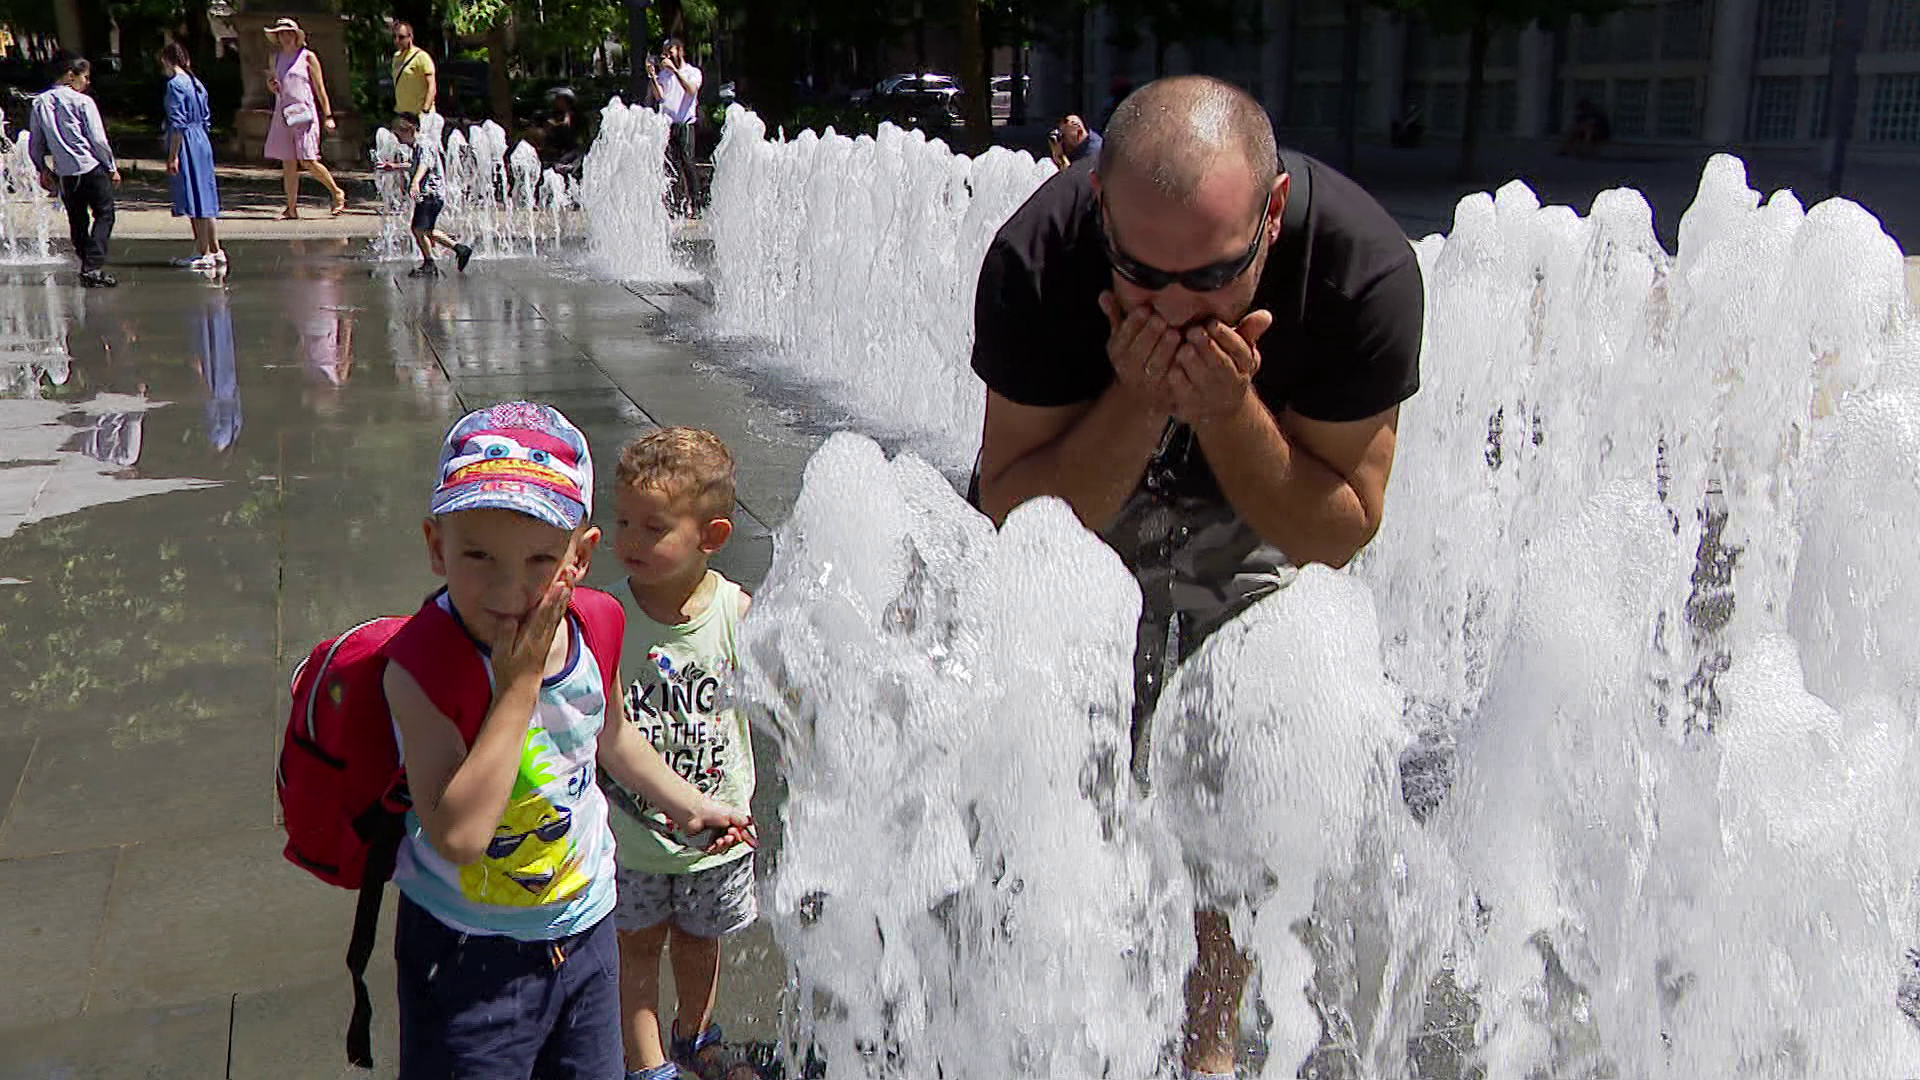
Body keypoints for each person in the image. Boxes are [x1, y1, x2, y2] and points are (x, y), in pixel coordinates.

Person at [968, 74, 1423, 1080]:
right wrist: (1140, 400)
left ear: (1271, 217)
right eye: (1140, 274)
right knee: (1054, 756)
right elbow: (1021, 508)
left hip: (1263, 487)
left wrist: (1222, 411)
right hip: (1079, 479)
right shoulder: (1038, 257)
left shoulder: (1360, 270)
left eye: (1213, 278)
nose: (1173, 306)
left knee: (1245, 766)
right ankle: (1047, 1019)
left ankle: (1207, 1046)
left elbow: (1336, 529)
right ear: (1098, 206)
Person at [384, 400, 756, 1080]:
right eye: (478, 556)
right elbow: (459, 835)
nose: (510, 587)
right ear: (437, 545)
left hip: (585, 931)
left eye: (539, 559)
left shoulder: (597, 625)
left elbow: (611, 735)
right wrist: (517, 688)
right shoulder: (422, 664)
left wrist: (686, 803)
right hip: (470, 955)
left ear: (579, 556)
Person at [604, 429, 761, 1080]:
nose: (630, 541)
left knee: (700, 944)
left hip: (717, 835)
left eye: (653, 527)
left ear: (712, 537)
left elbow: (789, 687)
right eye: (621, 523)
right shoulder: (609, 616)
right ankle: (649, 1066)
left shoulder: (736, 613)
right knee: (637, 952)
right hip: (632, 836)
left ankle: (697, 1038)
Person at [26, 54, 119, 287]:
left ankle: (87, 263)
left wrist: (41, 168)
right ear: (71, 75)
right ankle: (92, 266)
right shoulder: (83, 102)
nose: (87, 83)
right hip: (90, 166)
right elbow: (98, 139)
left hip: (66, 172)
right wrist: (111, 166)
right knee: (104, 214)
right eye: (85, 77)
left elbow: (36, 141)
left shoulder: (40, 102)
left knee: (77, 220)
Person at [263, 17, 347, 219]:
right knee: (288, 162)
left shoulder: (308, 57)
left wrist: (328, 115)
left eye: (288, 32)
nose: (284, 36)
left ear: (296, 35)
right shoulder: (275, 58)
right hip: (284, 113)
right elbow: (273, 83)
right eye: (281, 33)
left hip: (304, 114)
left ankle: (337, 192)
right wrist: (271, 85)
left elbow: (320, 88)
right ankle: (290, 207)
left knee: (308, 159)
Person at [380, 113, 472, 277]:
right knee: (426, 230)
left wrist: (415, 182)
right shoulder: (419, 146)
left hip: (430, 193)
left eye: (398, 133)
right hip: (431, 194)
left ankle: (430, 263)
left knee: (418, 229)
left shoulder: (424, 144)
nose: (397, 138)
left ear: (410, 129)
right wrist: (395, 166)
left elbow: (425, 164)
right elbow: (415, 164)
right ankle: (460, 249)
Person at [160, 41, 224, 271]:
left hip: (187, 140)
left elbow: (178, 123)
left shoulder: (175, 85)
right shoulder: (196, 83)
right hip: (201, 139)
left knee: (194, 196)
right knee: (205, 194)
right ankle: (215, 249)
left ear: (166, 61)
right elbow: (206, 117)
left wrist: (173, 155)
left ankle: (202, 251)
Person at [646, 37, 703, 215]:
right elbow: (660, 96)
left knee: (687, 161)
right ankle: (678, 202)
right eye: (665, 51)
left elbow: (691, 90)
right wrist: (653, 76)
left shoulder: (692, 72)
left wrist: (676, 71)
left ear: (680, 50)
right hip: (668, 125)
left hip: (685, 123)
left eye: (671, 50)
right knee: (672, 165)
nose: (668, 54)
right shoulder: (664, 75)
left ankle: (696, 202)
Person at [391, 19, 436, 119]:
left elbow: (432, 86)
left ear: (410, 37)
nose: (397, 41)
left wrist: (425, 110)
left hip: (419, 114)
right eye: (395, 37)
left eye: (401, 37)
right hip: (402, 114)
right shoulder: (396, 57)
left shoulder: (421, 56)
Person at [542, 87, 589, 176]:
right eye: (557, 99)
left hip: (573, 151)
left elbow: (581, 136)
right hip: (555, 152)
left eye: (560, 99)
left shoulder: (578, 117)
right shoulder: (554, 115)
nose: (558, 102)